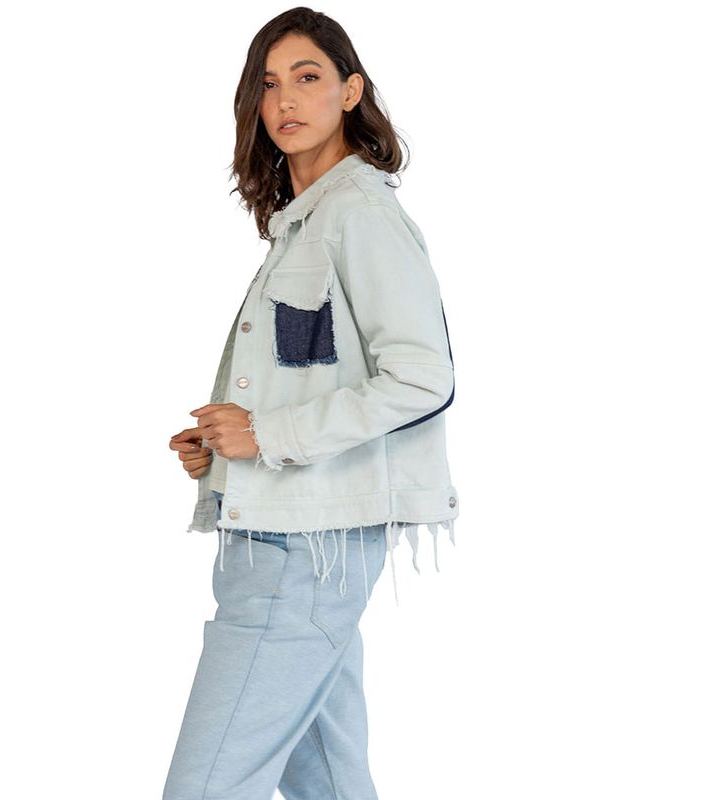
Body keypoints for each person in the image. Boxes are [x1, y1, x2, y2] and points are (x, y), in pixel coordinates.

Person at [164, 8, 459, 799]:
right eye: (269, 84)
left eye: (308, 77)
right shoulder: (306, 220)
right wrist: (224, 448)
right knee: (330, 782)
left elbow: (423, 378)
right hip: (284, 535)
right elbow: (316, 374)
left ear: (350, 91)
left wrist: (265, 434)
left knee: (204, 786)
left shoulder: (359, 214)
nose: (286, 100)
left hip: (304, 551)